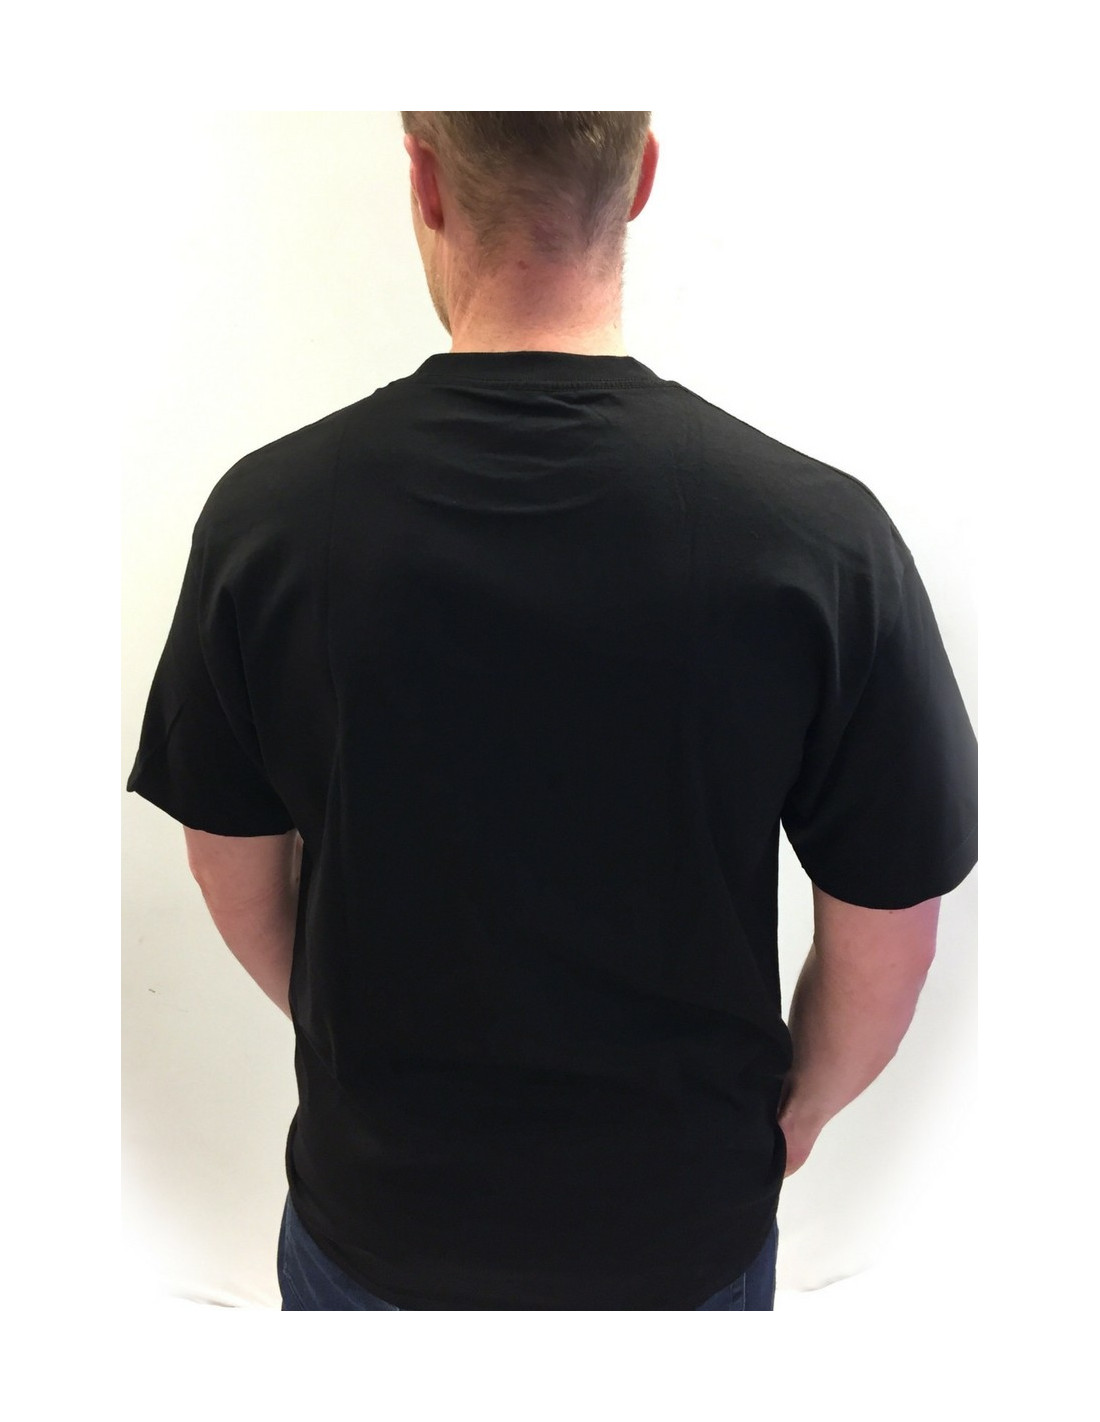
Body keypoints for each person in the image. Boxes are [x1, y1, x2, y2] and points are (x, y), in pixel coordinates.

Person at [126, 112, 978, 1311]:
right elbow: (893, 930)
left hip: (376, 1222)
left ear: (425, 179)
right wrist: (788, 1116)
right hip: (680, 1233)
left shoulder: (267, 521)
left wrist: (356, 1045)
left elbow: (228, 864)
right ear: (638, 176)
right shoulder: (821, 540)